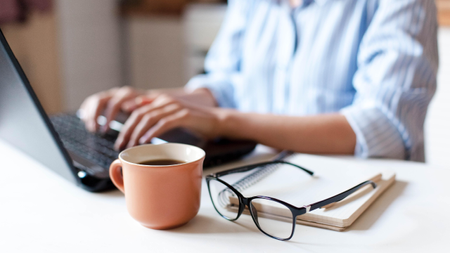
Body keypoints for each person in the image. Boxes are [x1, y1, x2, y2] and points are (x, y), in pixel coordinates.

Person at [80, 0, 438, 162]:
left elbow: (385, 128)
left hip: (359, 202)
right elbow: (230, 84)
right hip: (265, 190)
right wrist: (152, 103)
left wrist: (225, 122)